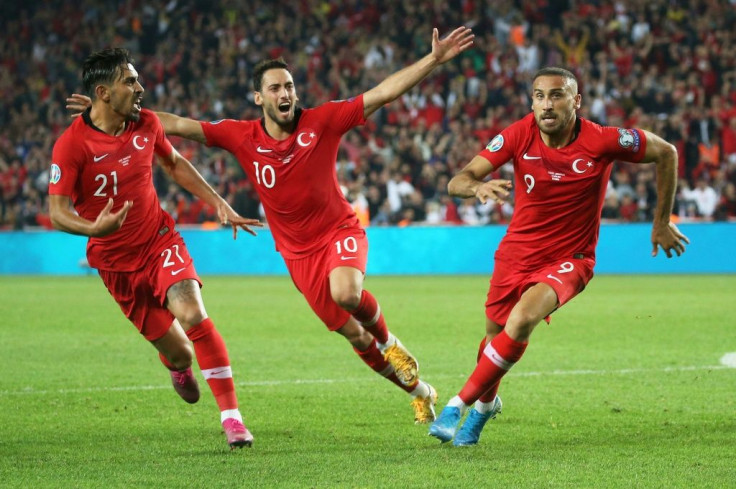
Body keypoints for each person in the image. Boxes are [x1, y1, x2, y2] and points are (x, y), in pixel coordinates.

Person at [69, 26, 474, 424]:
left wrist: (433, 60)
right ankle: (419, 392)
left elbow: (384, 93)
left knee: (347, 293)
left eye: (290, 86)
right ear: (259, 97)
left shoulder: (324, 121)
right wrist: (103, 112)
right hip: (298, 257)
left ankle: (392, 343)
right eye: (276, 88)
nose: (286, 94)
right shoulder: (241, 136)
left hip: (338, 232)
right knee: (354, 336)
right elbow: (176, 124)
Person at [428, 67, 690, 446]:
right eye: (538, 96)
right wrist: (477, 187)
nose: (546, 104)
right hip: (516, 253)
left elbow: (667, 152)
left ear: (576, 101)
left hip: (572, 257)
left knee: (521, 321)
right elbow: (458, 180)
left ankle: (457, 405)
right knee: (493, 339)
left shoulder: (602, 140)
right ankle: (485, 408)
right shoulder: (520, 134)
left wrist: (661, 221)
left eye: (556, 95)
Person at [50, 48, 262, 449]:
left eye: (137, 79)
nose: (140, 87)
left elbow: (175, 162)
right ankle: (176, 365)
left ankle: (232, 418)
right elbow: (57, 212)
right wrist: (93, 228)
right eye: (130, 81)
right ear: (104, 92)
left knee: (193, 312)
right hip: (116, 265)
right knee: (182, 354)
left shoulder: (146, 123)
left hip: (158, 240)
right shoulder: (71, 145)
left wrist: (218, 202)